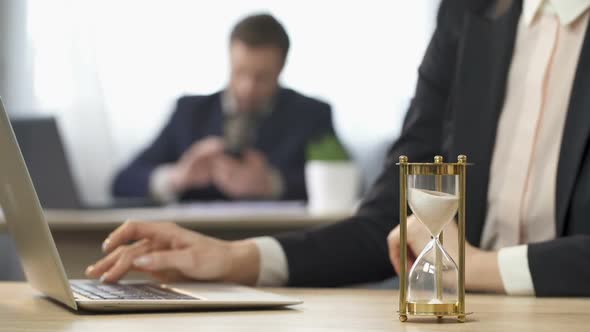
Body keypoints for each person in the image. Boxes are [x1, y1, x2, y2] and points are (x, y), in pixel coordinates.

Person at [87, 0, 590, 297]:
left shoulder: (309, 114)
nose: (246, 86)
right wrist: (237, 257)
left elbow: (451, 259)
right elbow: (388, 223)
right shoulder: (469, 14)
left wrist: (480, 268)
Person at [112, 13, 334, 203]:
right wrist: (176, 177)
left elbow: (349, 183)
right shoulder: (189, 112)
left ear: (282, 68)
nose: (248, 87)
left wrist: (272, 183)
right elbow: (122, 181)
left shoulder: (311, 115)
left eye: (262, 77)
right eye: (240, 72)